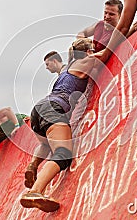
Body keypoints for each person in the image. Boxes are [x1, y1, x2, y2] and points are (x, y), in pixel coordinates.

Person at [20, 38, 96, 212]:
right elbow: (109, 51)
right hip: (55, 108)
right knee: (63, 154)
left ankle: (33, 164)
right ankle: (35, 191)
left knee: (46, 144)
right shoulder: (83, 62)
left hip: (39, 110)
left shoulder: (65, 71)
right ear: (87, 51)